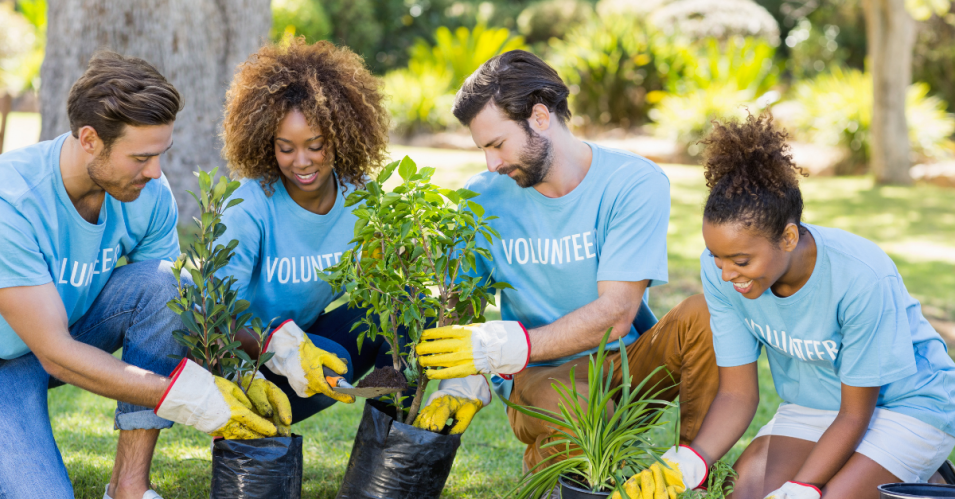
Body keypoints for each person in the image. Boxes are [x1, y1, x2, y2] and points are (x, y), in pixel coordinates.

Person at [413, 49, 719, 477]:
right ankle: (557, 459)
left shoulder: (633, 183)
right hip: (540, 377)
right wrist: (462, 386)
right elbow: (460, 306)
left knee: (705, 315)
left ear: (540, 117)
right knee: (585, 418)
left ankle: (691, 474)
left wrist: (510, 344)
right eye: (484, 149)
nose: (492, 163)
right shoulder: (483, 198)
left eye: (497, 144)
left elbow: (616, 314)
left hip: (625, 364)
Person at [0, 51, 288, 499]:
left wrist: (252, 359)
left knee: (165, 283)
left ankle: (129, 487)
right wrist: (189, 397)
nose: (154, 172)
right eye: (140, 157)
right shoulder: (11, 202)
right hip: (14, 358)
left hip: (60, 334)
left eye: (159, 154)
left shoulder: (147, 193)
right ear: (90, 139)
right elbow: (55, 353)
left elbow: (172, 305)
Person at [664, 112, 955, 499]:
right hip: (816, 405)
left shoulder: (860, 277)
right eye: (717, 257)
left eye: (741, 261)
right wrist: (690, 461)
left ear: (787, 237)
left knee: (830, 495)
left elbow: (855, 414)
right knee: (745, 491)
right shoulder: (722, 270)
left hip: (907, 405)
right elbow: (737, 394)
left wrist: (805, 486)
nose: (726, 274)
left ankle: (924, 483)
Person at [215, 39, 477, 426]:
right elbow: (218, 315)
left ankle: (396, 440)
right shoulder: (250, 205)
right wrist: (285, 353)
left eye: (315, 145)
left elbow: (397, 287)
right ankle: (259, 424)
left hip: (314, 351)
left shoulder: (360, 197)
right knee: (297, 363)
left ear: (340, 137)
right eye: (285, 148)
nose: (300, 162)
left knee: (407, 306)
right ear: (266, 144)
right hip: (248, 364)